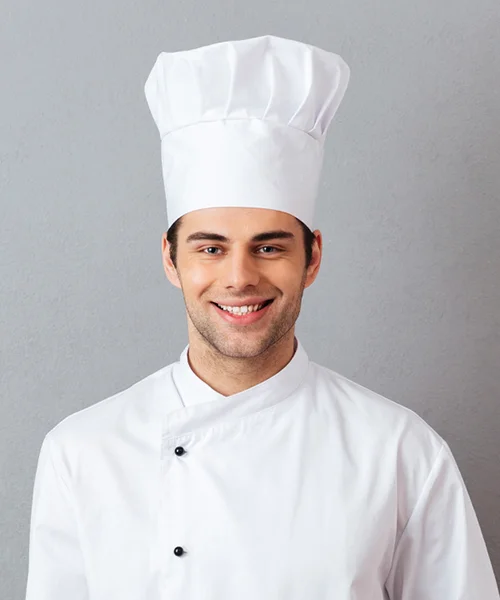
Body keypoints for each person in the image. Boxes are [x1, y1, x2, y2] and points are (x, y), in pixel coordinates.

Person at [25, 35, 499, 600]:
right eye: (210, 248)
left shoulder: (399, 452)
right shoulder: (83, 451)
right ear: (171, 260)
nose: (239, 278)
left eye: (269, 247)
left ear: (312, 258)